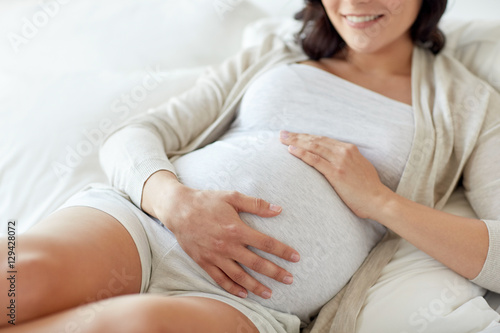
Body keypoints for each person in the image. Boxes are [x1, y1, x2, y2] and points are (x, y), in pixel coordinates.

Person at [1, 0, 499, 332]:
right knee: (19, 276)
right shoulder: (276, 52)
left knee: (128, 325)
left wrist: (380, 202)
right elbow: (134, 134)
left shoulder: (467, 105)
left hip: (246, 302)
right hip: (146, 223)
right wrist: (173, 202)